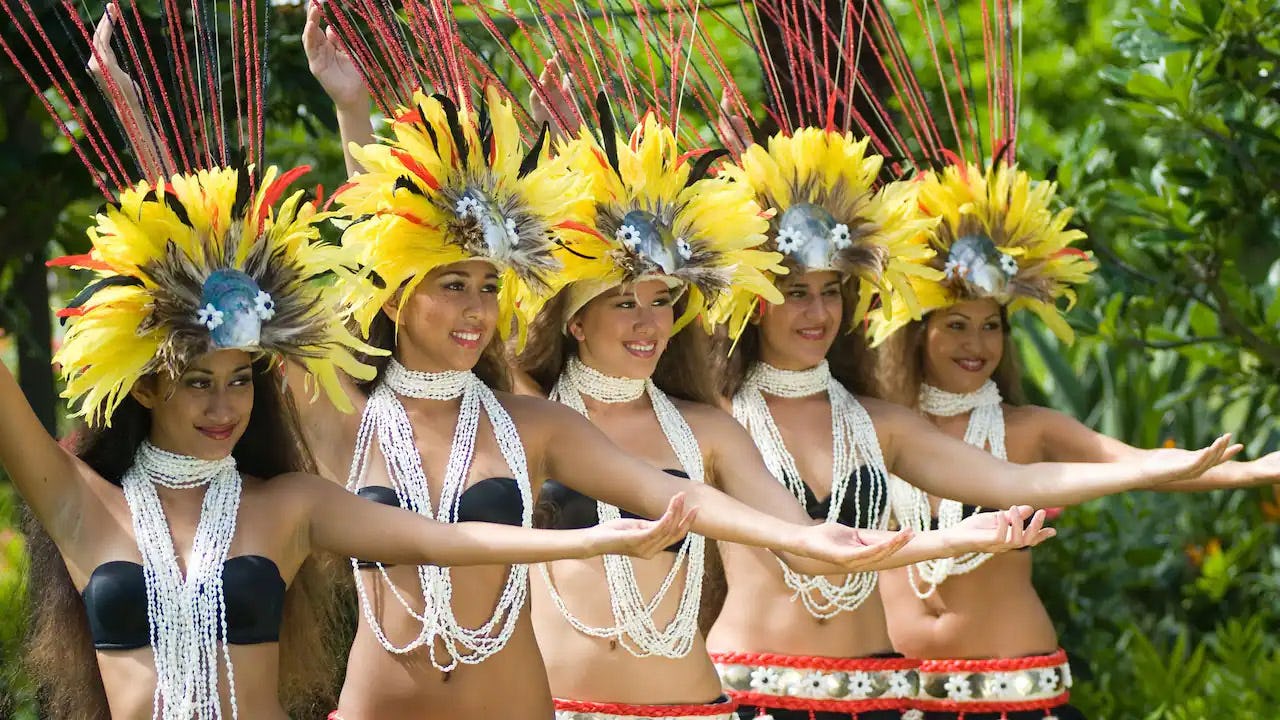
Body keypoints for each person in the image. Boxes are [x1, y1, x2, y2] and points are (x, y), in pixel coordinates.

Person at [6, 162, 697, 720]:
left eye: (243, 380)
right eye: (197, 383)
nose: (225, 407)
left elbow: (440, 539)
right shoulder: (81, 506)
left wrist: (598, 539)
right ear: (150, 388)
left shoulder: (290, 505)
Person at [514, 111, 1050, 720]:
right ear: (574, 321)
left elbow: (805, 543)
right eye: (626, 303)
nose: (648, 321)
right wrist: (543, 164)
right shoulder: (541, 418)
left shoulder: (704, 428)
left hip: (726, 700)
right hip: (601, 698)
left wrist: (1162, 468)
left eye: (662, 302)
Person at [699, 128, 1242, 720]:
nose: (819, 311)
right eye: (796, 293)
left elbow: (1016, 484)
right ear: (754, 301)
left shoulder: (878, 425)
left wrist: (1159, 466)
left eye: (832, 291)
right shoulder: (717, 423)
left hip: (878, 695)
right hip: (749, 692)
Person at [864, 162, 1280, 720]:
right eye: (957, 324)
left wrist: (1254, 472)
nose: (978, 343)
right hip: (899, 690)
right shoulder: (878, 428)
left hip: (1014, 685)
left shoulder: (1030, 428)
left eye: (992, 325)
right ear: (919, 332)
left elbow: (1139, 465)